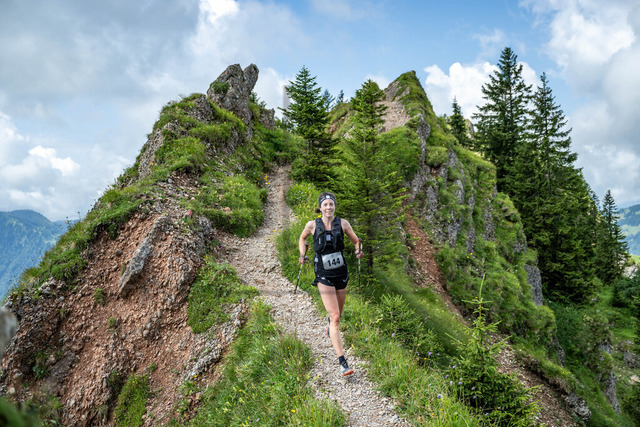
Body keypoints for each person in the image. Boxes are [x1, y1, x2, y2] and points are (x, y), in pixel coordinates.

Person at [298, 192, 364, 376]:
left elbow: (356, 241)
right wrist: (302, 254)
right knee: (335, 317)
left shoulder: (343, 224)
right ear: (320, 207)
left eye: (331, 204)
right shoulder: (312, 225)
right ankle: (343, 363)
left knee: (338, 315)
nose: (328, 207)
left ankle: (330, 324)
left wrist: (358, 251)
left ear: (334, 206)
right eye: (325, 204)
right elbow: (302, 238)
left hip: (341, 272)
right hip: (323, 274)